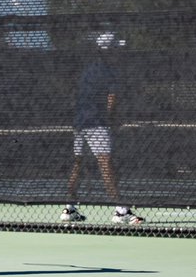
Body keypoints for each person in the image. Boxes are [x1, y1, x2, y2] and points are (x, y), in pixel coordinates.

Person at [60, 32, 144, 225]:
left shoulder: (87, 71)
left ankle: (68, 208)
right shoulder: (111, 71)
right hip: (97, 124)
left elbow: (79, 96)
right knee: (106, 165)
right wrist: (112, 120)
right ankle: (121, 211)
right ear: (108, 50)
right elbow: (111, 101)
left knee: (78, 164)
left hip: (80, 123)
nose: (119, 52)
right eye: (116, 48)